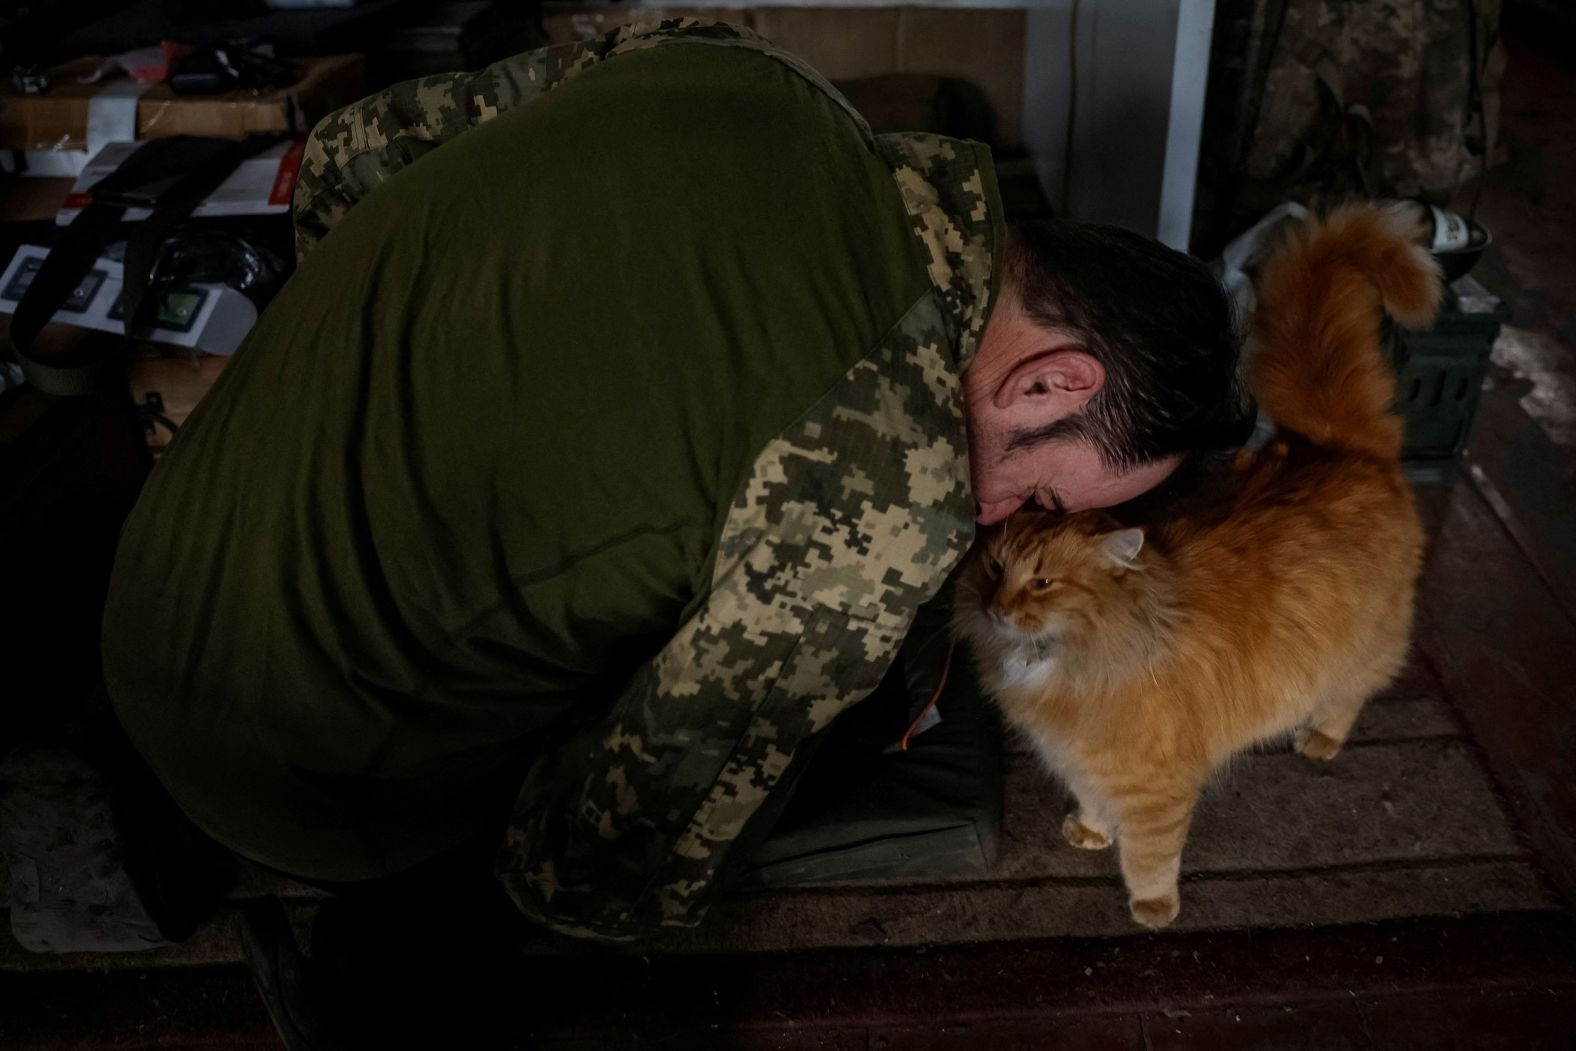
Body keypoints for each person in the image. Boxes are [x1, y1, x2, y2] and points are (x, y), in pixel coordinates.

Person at [101, 18, 1253, 949]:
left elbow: (353, 152)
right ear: (1054, 379)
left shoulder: (740, 67)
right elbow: (607, 862)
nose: (999, 520)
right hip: (282, 761)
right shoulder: (888, 502)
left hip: (146, 567)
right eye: (1043, 496)